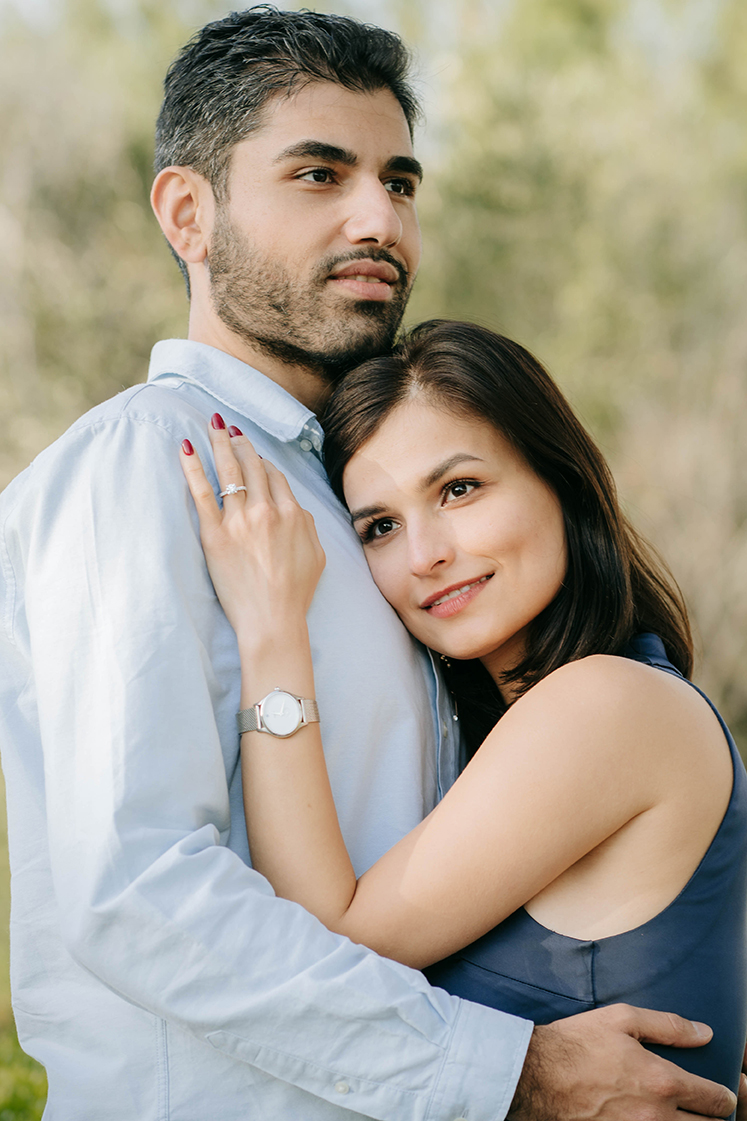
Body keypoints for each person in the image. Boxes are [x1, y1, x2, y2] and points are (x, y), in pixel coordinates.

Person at [0, 7, 739, 1120]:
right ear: (187, 214)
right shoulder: (147, 462)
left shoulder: (349, 489)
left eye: (399, 180)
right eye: (317, 173)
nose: (376, 217)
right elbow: (139, 889)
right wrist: (508, 1069)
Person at [180, 317, 747, 1102]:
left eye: (457, 489)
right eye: (379, 526)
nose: (424, 554)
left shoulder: (607, 703)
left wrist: (272, 624)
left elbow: (328, 951)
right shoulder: (542, 726)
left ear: (562, 479)